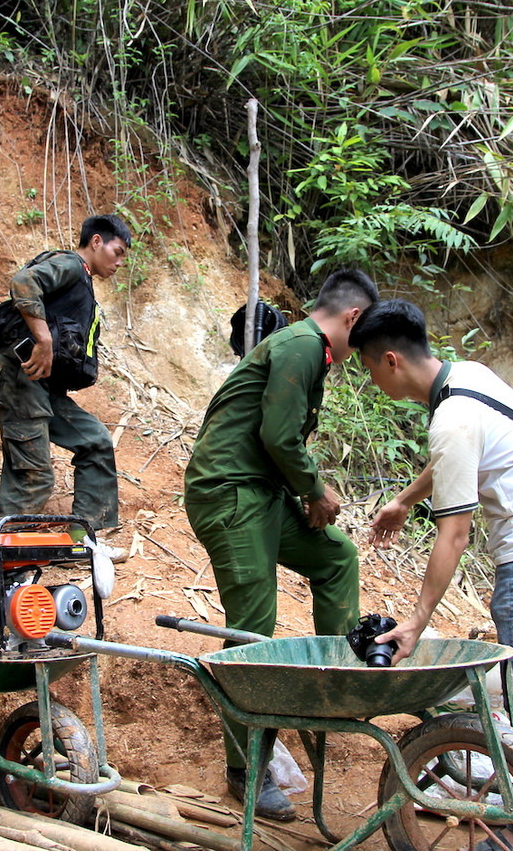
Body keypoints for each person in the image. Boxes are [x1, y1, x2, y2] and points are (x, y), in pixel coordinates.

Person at [351, 299, 513, 851]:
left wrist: (417, 620)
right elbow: (454, 459)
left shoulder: (450, 419)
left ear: (390, 360)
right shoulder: (470, 377)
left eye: (368, 368)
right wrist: (404, 500)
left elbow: (455, 535)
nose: (372, 381)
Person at [184, 269, 379, 822]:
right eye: (367, 334)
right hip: (229, 493)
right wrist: (314, 490)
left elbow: (275, 441)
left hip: (264, 493)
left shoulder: (309, 350)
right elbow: (278, 436)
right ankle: (245, 769)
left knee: (336, 555)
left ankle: (337, 679)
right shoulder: (301, 346)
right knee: (253, 626)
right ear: (353, 318)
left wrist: (304, 497)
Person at [0, 215, 131, 552]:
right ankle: (1, 561)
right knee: (32, 477)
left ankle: (82, 543)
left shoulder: (82, 281)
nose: (119, 262)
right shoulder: (71, 265)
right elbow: (24, 282)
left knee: (95, 441)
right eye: (117, 252)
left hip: (41, 386)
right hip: (18, 376)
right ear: (96, 242)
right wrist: (44, 339)